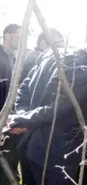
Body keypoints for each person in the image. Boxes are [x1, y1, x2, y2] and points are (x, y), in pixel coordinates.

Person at [6, 34, 87, 185]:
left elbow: (25, 86)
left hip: (29, 145)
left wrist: (23, 114)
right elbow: (59, 109)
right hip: (56, 155)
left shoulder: (51, 54)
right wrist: (22, 120)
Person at [0, 23, 21, 185]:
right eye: (19, 36)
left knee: (10, 159)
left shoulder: (14, 57)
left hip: (11, 118)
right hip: (2, 116)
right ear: (8, 35)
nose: (21, 40)